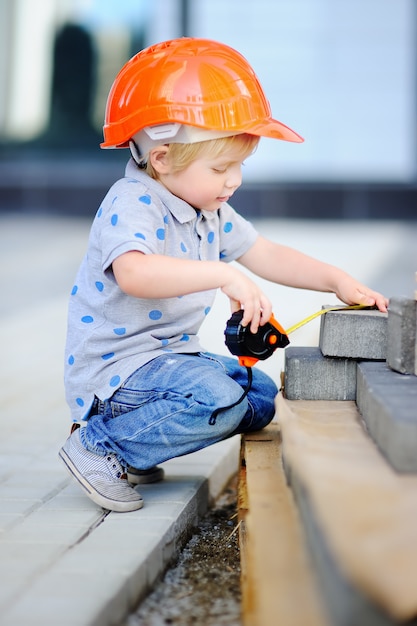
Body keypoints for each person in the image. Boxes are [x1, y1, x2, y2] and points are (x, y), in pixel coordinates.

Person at [59, 38, 388, 512]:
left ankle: (140, 440)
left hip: (166, 363)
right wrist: (221, 275)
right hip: (118, 372)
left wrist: (334, 279)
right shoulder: (132, 204)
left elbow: (266, 253)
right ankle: (99, 445)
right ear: (163, 158)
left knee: (257, 395)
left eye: (240, 166)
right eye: (221, 167)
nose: (233, 180)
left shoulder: (209, 209)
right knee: (216, 397)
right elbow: (134, 273)